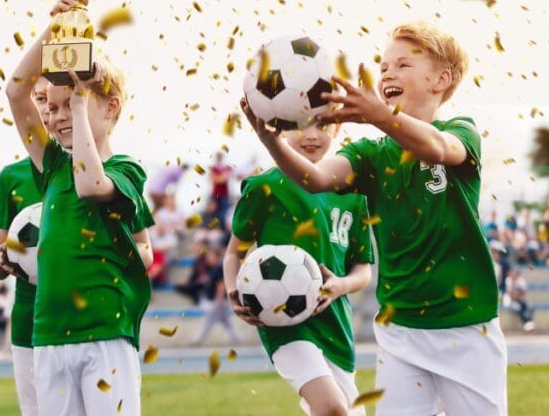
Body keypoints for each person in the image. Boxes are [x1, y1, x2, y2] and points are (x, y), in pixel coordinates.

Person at [243, 22, 505, 415]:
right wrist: (272, 142)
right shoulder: (368, 154)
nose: (387, 73)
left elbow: (437, 148)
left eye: (402, 65)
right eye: (383, 67)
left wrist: (381, 115)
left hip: (465, 327)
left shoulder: (459, 131)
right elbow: (314, 178)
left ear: (441, 79)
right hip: (399, 331)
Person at [6, 0, 154, 416]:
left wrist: (78, 101)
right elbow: (16, 92)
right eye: (53, 107)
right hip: (49, 335)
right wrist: (51, 32)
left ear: (110, 107)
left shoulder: (126, 171)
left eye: (72, 104)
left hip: (106, 332)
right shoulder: (52, 165)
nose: (58, 116)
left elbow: (91, 185)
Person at [225, 122, 373, 416]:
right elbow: (234, 252)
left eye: (322, 125)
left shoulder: (353, 193)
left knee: (346, 411)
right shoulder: (264, 186)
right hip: (283, 324)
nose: (312, 135)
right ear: (279, 129)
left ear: (338, 128)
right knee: (332, 408)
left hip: (335, 325)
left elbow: (362, 269)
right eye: (301, 126)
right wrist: (233, 290)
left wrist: (340, 285)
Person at [0, 75, 48, 416]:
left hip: (83, 316)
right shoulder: (12, 177)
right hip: (28, 315)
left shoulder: (93, 172)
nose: (45, 108)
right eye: (38, 98)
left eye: (53, 99)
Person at [194, 246, 239, 347]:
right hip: (218, 301)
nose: (208, 258)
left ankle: (198, 340)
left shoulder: (219, 268)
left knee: (209, 321)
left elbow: (221, 285)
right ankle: (236, 339)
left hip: (218, 301)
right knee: (226, 322)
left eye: (210, 256)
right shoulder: (215, 268)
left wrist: (218, 300)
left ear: (217, 257)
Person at [209, 152, 233, 226]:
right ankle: (215, 228)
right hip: (215, 194)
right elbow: (215, 179)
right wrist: (222, 177)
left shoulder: (225, 168)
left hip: (224, 194)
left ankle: (221, 228)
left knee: (224, 213)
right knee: (213, 213)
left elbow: (222, 179)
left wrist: (218, 178)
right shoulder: (214, 168)